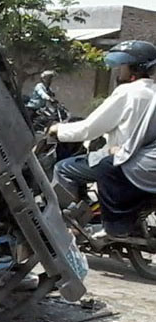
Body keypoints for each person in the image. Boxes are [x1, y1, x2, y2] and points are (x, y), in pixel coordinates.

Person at [49, 40, 156, 235]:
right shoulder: (153, 93)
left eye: (122, 65)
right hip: (142, 159)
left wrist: (58, 130)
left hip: (120, 159)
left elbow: (89, 129)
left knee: (63, 168)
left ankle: (75, 225)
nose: (119, 70)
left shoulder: (128, 93)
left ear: (135, 67)